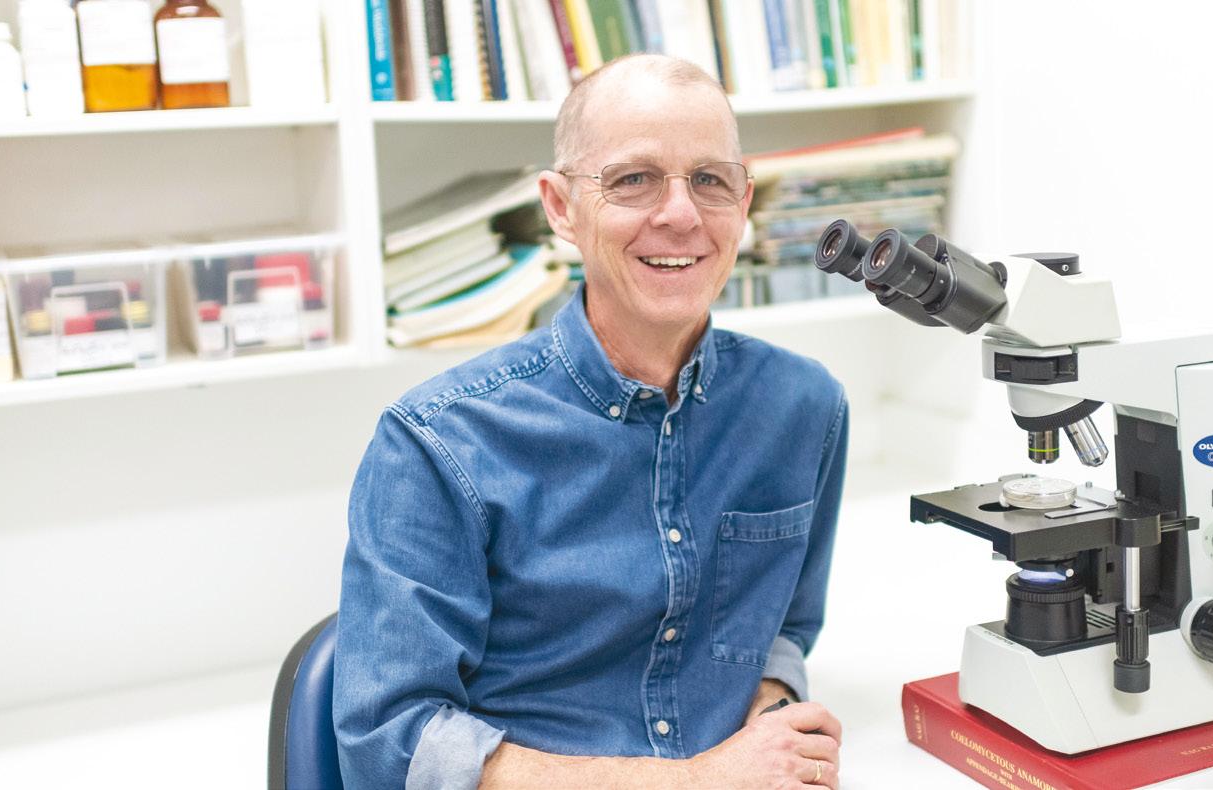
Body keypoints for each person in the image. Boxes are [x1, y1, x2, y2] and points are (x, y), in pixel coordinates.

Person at [335, 54, 848, 789]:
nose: (680, 215)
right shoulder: (437, 442)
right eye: (633, 179)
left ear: (744, 202)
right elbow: (392, 742)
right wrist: (697, 782)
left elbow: (782, 627)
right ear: (560, 207)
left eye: (710, 179)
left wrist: (775, 721)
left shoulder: (804, 407)